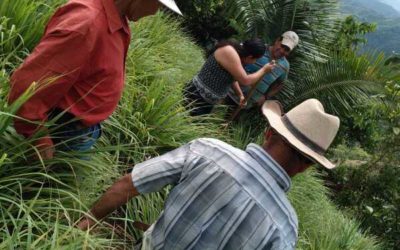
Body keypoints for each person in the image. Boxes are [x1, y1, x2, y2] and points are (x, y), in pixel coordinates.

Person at [77, 98, 340, 250]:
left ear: (269, 133)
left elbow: (130, 184)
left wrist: (86, 221)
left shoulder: (206, 150)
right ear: (306, 166)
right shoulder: (284, 226)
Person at [7, 0, 182, 159]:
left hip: (79, 130)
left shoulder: (117, 19)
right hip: (60, 132)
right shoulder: (87, 23)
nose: (154, 13)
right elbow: (28, 86)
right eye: (158, 6)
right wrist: (40, 140)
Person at [183, 39, 276, 116]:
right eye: (255, 60)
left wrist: (240, 95)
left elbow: (233, 79)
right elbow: (245, 80)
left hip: (205, 102)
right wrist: (264, 70)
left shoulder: (237, 56)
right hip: (195, 96)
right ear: (250, 56)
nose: (254, 62)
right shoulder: (229, 51)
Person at [225, 31, 299, 118]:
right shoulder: (259, 49)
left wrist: (265, 96)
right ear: (277, 40)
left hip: (248, 105)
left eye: (287, 50)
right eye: (282, 46)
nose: (282, 51)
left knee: (228, 128)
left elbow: (280, 84)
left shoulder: (285, 66)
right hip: (229, 94)